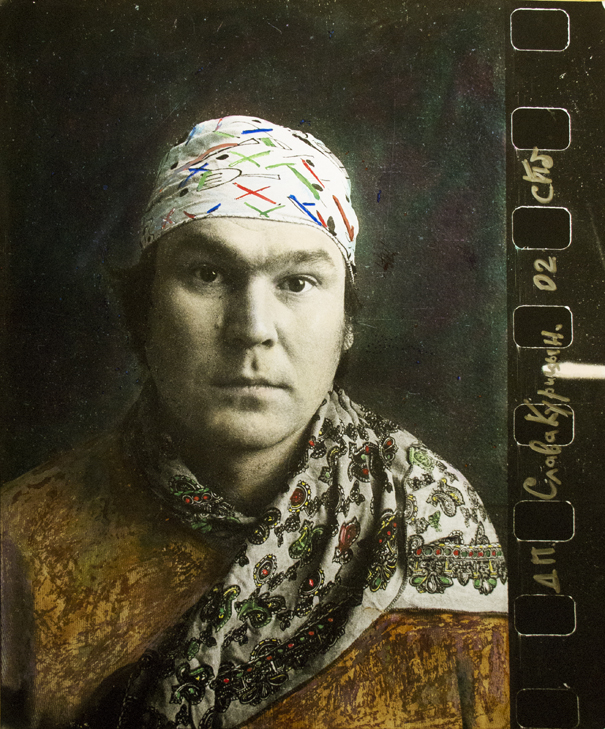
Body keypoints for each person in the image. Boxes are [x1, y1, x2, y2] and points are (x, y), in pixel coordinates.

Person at [1, 116, 508, 729]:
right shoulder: (21, 537)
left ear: (347, 322)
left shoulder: (432, 521)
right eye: (208, 275)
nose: (252, 328)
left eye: (297, 282)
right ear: (144, 312)